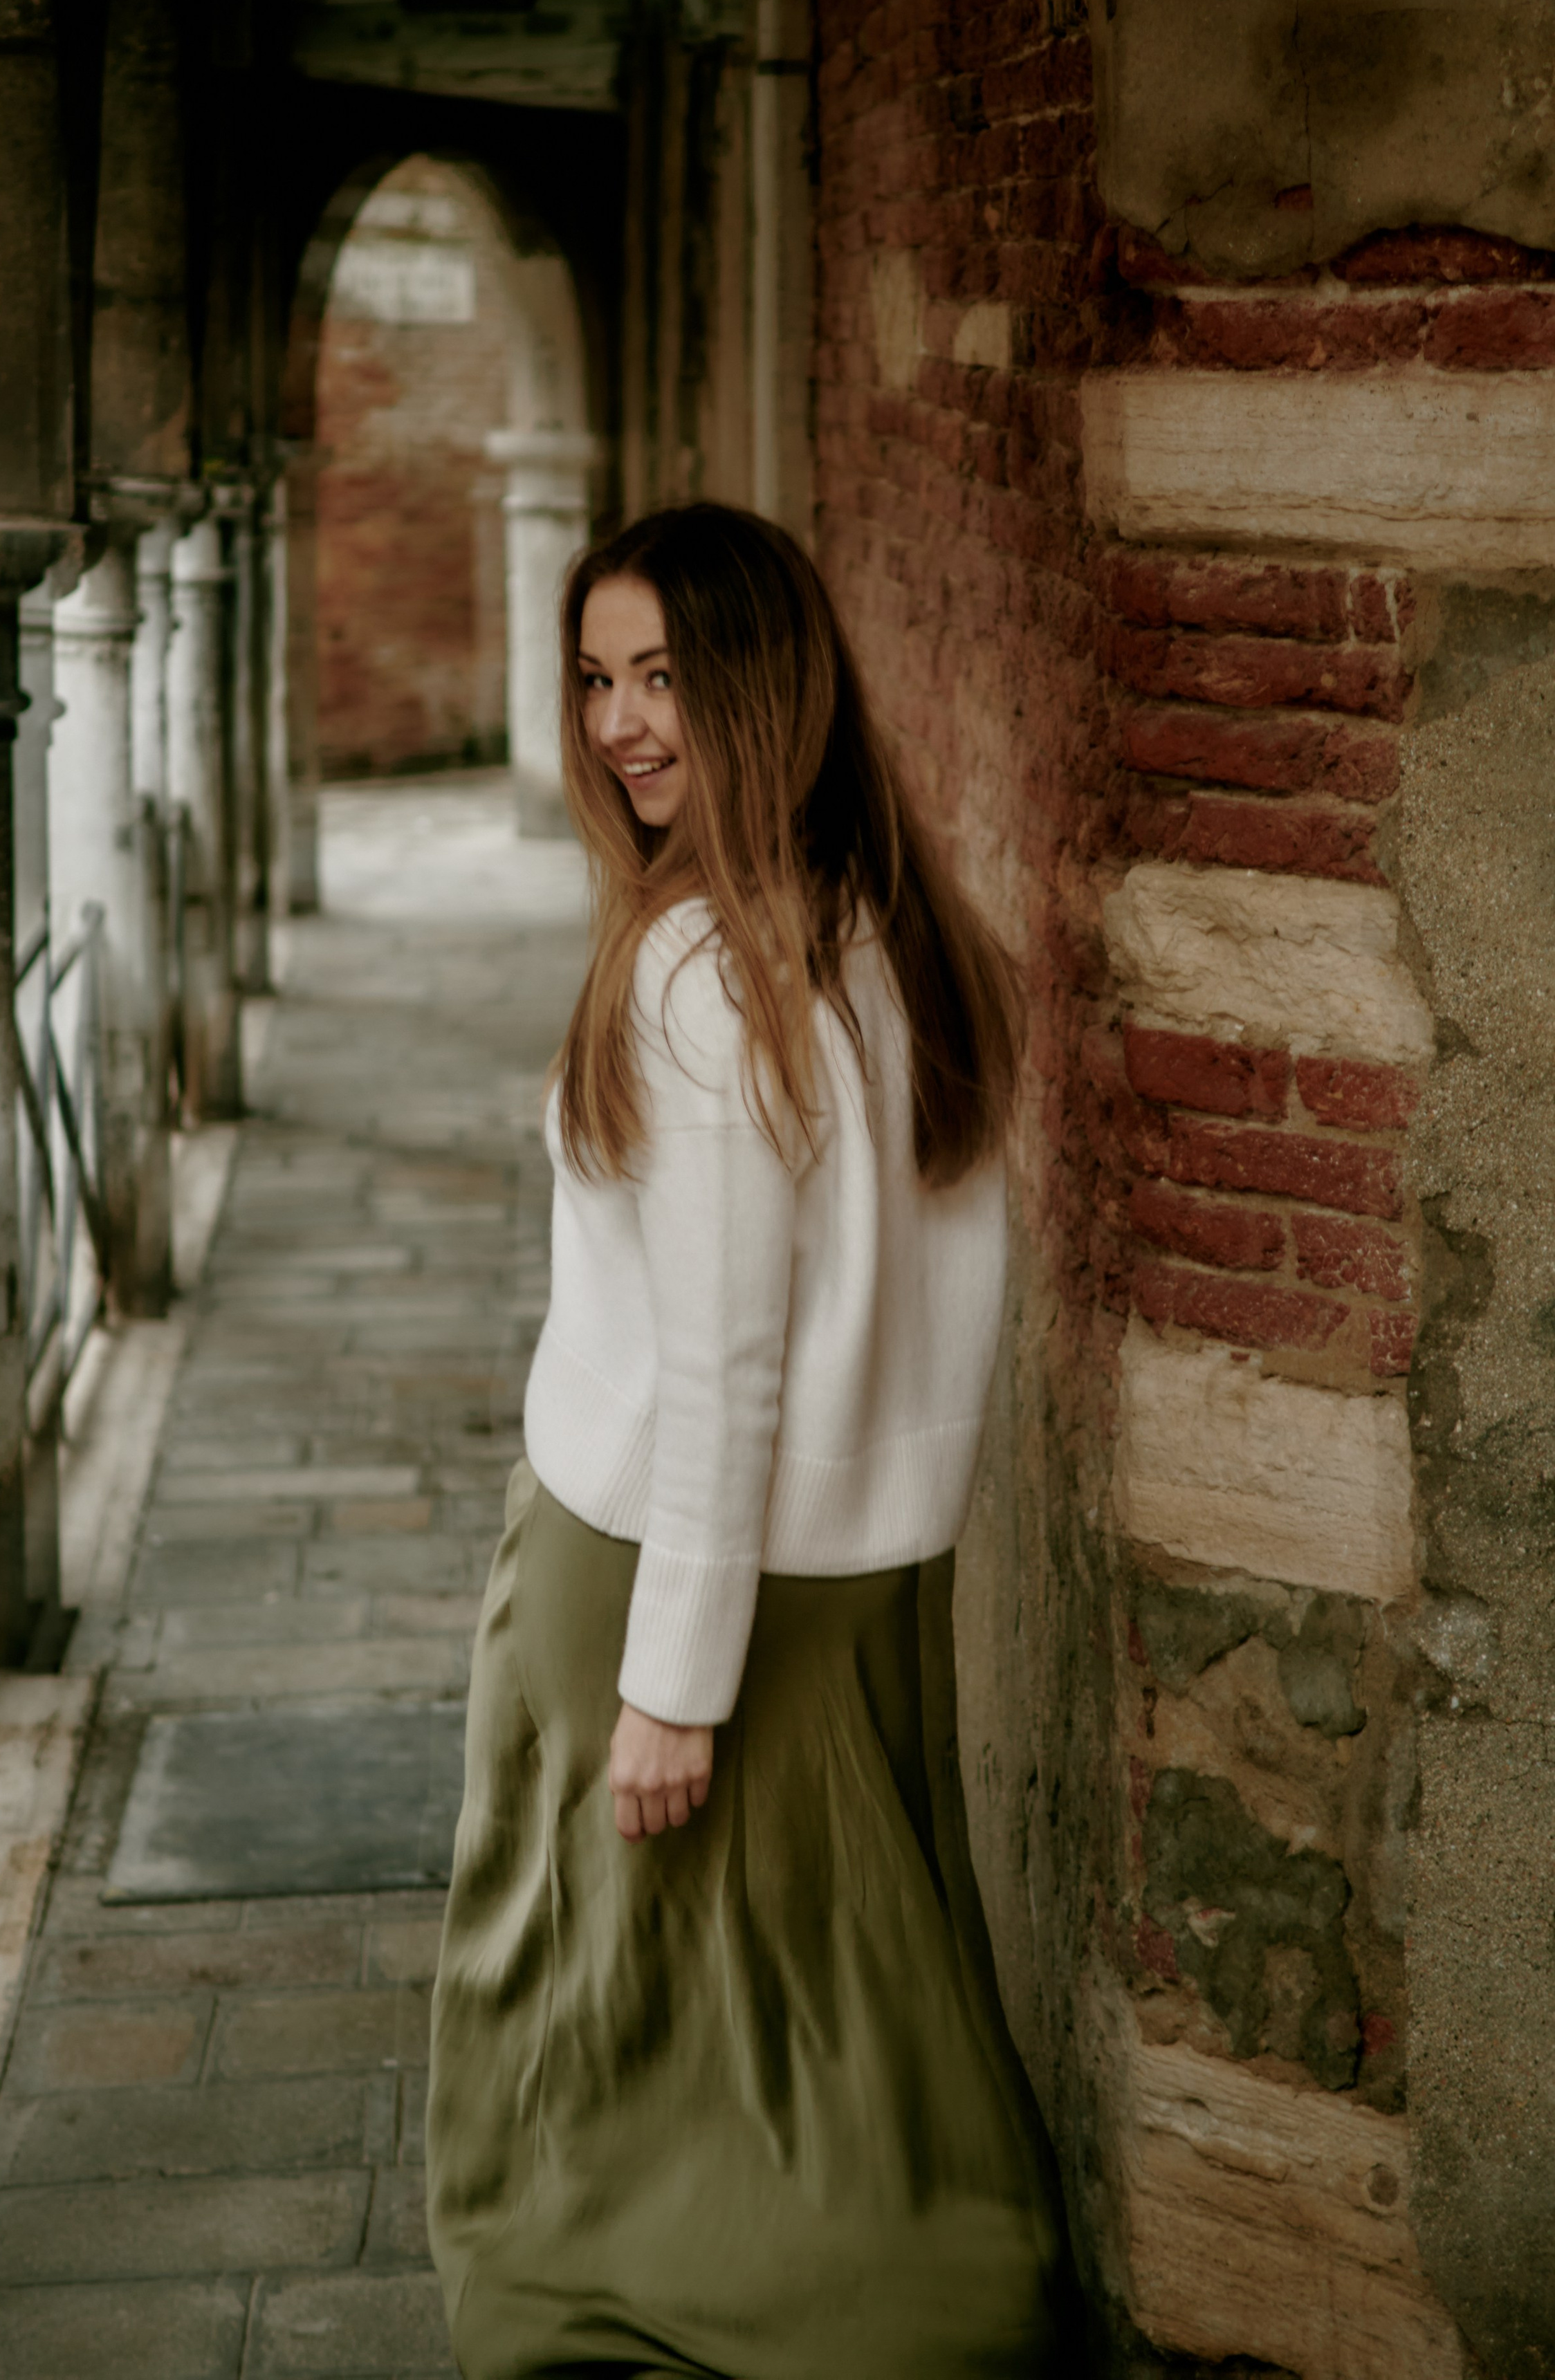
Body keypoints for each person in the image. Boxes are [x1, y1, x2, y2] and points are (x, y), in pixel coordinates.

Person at [427, 502, 1082, 2377]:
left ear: (761, 690)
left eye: (665, 680)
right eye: (597, 677)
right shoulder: (893, 927)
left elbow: (728, 1369)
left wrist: (671, 1687)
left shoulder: (705, 976)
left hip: (666, 1577)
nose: (622, 723)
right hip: (859, 1581)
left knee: (588, 2000)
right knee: (840, 2010)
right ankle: (921, 2303)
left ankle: (635, 2315)